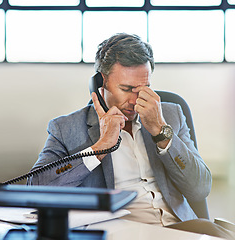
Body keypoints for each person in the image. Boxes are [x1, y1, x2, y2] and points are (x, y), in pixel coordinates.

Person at [28, 33, 234, 239]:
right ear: (100, 84)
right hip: (119, 232)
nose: (136, 100)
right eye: (127, 89)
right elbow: (36, 188)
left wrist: (161, 132)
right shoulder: (66, 128)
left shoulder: (170, 115)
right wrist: (98, 149)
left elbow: (200, 189)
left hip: (181, 229)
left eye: (144, 89)